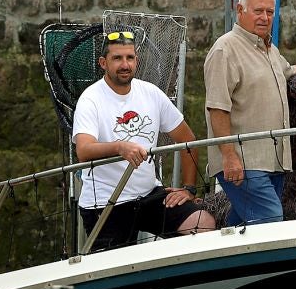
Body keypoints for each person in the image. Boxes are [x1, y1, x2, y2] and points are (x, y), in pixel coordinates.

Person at [73, 31, 214, 251]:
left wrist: (188, 189)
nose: (125, 64)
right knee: (114, 271)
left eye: (130, 58)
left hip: (150, 196)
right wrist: (119, 147)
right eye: (117, 58)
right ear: (103, 63)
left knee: (204, 223)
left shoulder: (151, 93)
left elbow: (188, 140)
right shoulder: (90, 99)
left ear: (136, 60)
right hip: (106, 204)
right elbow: (83, 150)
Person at [205, 0, 296, 225]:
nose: (265, 18)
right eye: (258, 11)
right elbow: (217, 107)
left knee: (243, 224)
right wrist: (229, 157)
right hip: (244, 161)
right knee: (270, 221)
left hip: (273, 160)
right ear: (240, 10)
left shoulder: (269, 50)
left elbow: (292, 72)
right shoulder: (225, 49)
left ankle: (223, 259)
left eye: (270, 12)